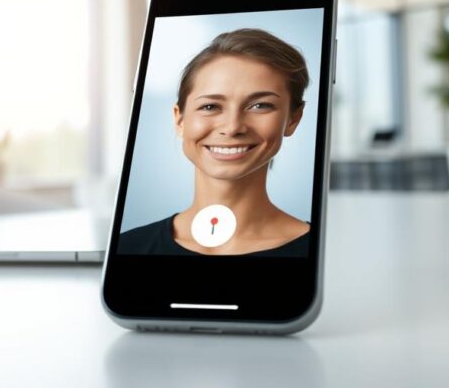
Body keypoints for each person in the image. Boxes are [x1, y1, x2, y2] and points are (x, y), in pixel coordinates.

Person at [119, 28, 311, 256]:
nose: (232, 127)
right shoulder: (127, 248)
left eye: (260, 105)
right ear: (180, 120)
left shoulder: (319, 253)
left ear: (293, 119)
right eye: (210, 107)